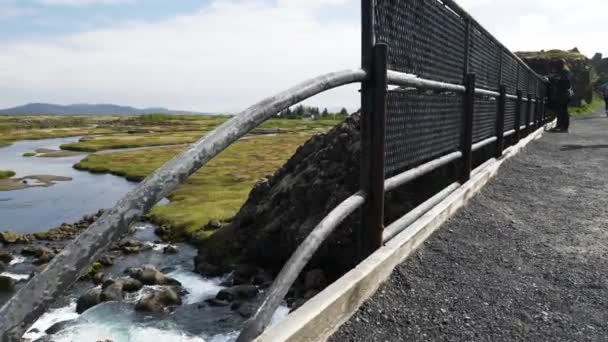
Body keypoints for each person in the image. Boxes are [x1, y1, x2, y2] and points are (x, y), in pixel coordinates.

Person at [552, 59, 572, 133]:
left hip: (563, 94)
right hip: (565, 93)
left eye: (556, 64)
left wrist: (555, 80)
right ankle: (562, 127)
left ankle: (562, 127)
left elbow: (565, 83)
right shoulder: (565, 71)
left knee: (562, 111)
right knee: (563, 111)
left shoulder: (564, 72)